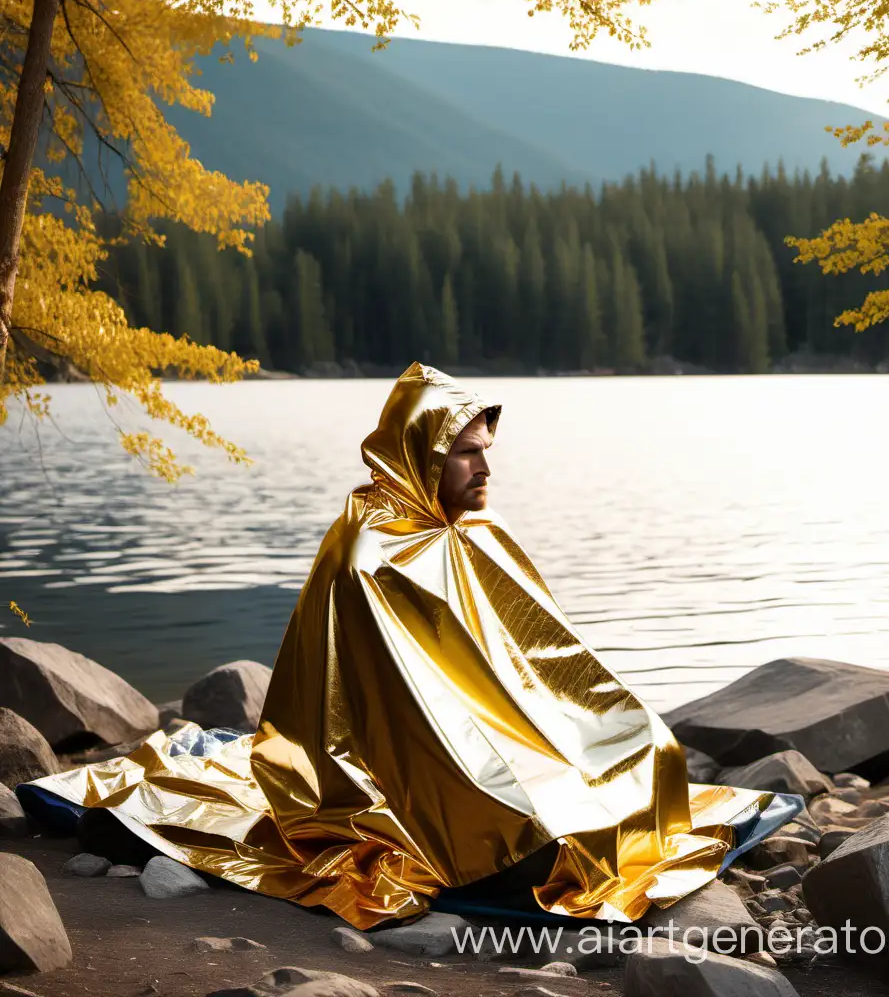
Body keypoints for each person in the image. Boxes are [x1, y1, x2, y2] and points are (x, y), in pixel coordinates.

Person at [20, 363, 799, 929]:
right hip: (399, 768)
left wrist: (584, 737)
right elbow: (403, 712)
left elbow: (545, 667)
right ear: (423, 456)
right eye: (467, 452)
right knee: (537, 840)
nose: (486, 466)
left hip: (487, 739)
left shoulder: (474, 534)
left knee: (650, 757)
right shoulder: (367, 555)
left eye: (488, 448)